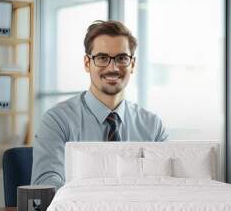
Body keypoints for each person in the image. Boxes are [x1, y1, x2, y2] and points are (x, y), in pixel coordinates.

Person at [31, 20, 168, 190]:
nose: (113, 67)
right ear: (87, 63)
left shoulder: (152, 126)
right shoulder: (58, 121)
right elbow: (46, 185)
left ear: (132, 64)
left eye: (122, 58)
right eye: (102, 58)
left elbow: (167, 185)